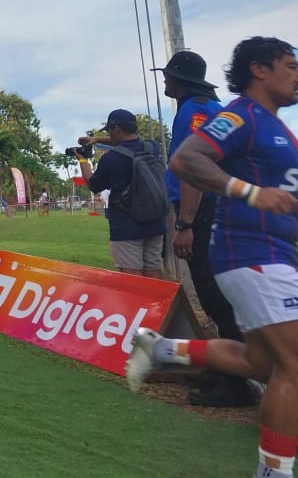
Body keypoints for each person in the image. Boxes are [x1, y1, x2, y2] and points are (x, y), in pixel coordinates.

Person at [126, 37, 298, 478]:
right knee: (293, 364)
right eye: (290, 65)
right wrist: (250, 193)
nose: (297, 75)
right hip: (251, 252)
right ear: (260, 70)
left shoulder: (278, 127)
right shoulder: (240, 115)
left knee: (258, 362)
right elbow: (186, 160)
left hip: (275, 253)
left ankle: (161, 348)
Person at [154, 50, 252, 407]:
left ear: (179, 80)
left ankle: (237, 381)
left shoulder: (194, 111)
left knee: (215, 296)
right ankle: (228, 369)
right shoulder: (215, 109)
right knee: (221, 297)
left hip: (204, 211)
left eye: (168, 77)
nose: (165, 82)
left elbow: (195, 167)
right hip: (223, 210)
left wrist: (185, 223)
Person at [72, 109, 167, 278]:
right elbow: (127, 142)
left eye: (109, 130)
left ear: (116, 129)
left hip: (127, 226)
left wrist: (83, 160)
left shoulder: (111, 159)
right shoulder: (152, 148)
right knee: (154, 273)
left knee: (132, 279)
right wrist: (97, 140)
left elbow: (94, 184)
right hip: (155, 221)